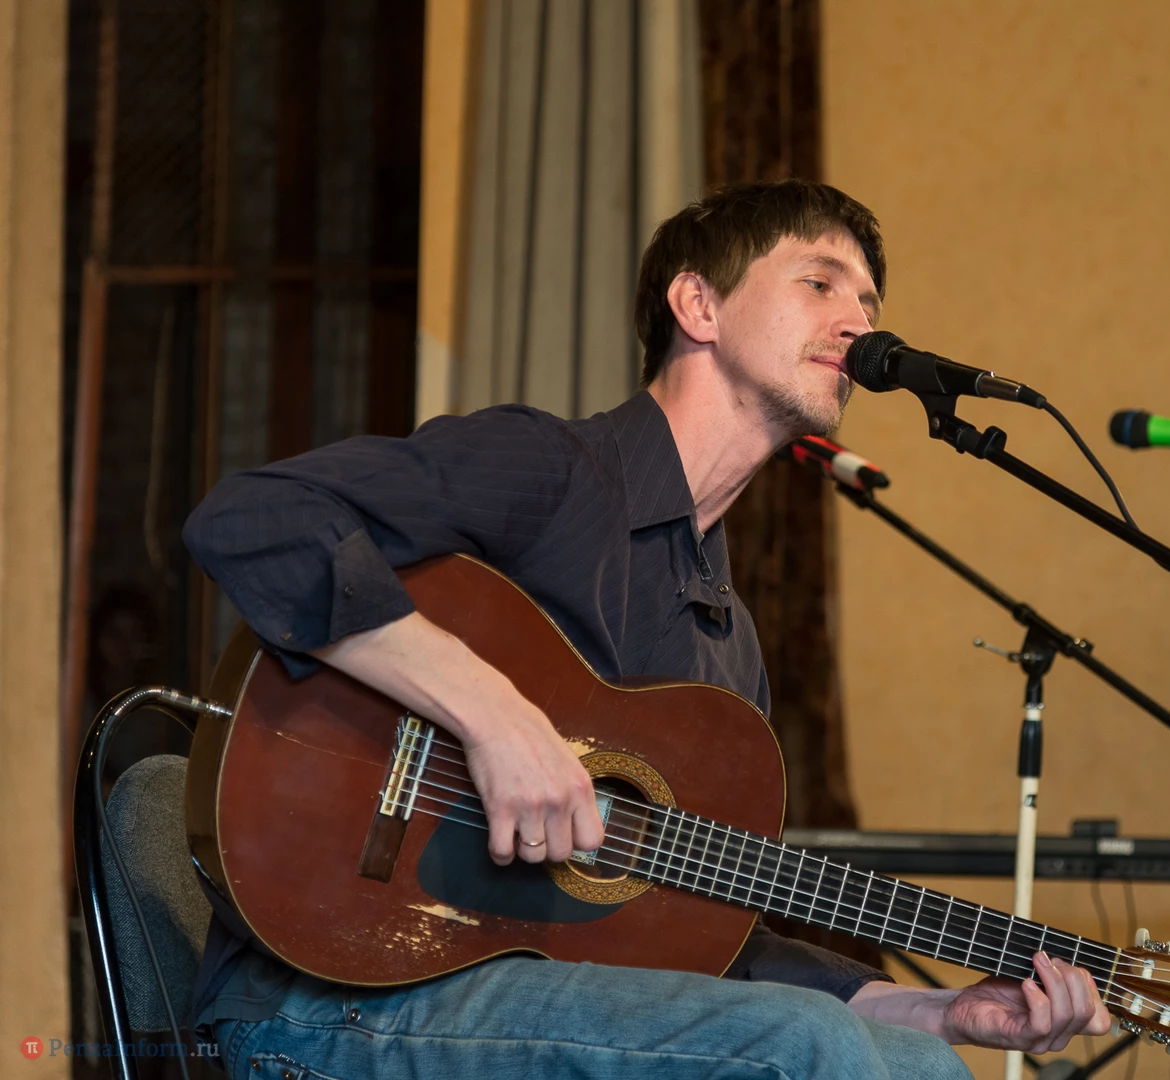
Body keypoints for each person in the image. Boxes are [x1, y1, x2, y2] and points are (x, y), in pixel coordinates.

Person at [183, 179, 1111, 1079]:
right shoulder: (549, 470)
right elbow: (254, 518)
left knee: (920, 1066)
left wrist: (937, 1011)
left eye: (868, 301)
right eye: (820, 282)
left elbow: (697, 940)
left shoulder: (724, 648)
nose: (859, 323)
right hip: (332, 994)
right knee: (803, 1043)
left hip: (543, 998)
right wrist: (494, 717)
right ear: (697, 305)